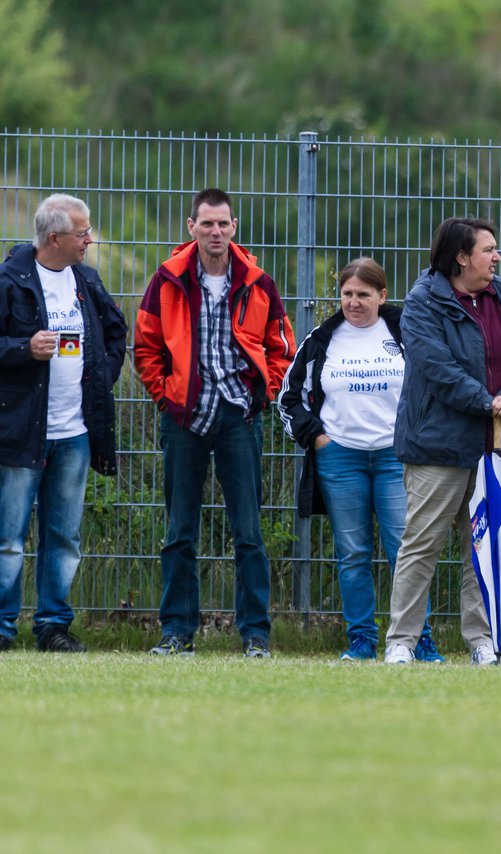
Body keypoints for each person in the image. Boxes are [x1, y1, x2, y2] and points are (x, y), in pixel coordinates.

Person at [0, 193, 128, 652]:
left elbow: (116, 332)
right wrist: (23, 349)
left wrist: (102, 376)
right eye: (82, 232)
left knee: (64, 536)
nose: (89, 239)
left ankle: (53, 626)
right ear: (55, 237)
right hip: (18, 433)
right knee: (9, 536)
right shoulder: (4, 281)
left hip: (75, 433)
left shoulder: (86, 282)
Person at [134, 187, 294, 659]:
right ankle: (177, 633)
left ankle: (255, 637)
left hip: (237, 415)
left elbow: (281, 346)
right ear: (192, 228)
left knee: (248, 531)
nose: (216, 232)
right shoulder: (166, 280)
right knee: (180, 530)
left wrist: (261, 393)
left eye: (223, 224)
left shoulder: (258, 282)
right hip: (185, 415)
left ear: (234, 227)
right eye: (207, 224)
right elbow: (145, 348)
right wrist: (166, 396)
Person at [383, 216, 501, 666]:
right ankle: (402, 641)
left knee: (485, 548)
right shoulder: (422, 304)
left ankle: (482, 641)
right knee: (422, 543)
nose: (498, 257)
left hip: (497, 446)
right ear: (461, 257)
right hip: (438, 446)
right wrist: (487, 401)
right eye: (488, 250)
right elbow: (436, 369)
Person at [277, 257, 443, 662]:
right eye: (347, 294)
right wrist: (316, 438)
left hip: (396, 457)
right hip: (339, 460)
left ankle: (416, 640)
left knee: (405, 552)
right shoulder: (321, 340)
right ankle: (362, 641)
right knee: (352, 554)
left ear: (382, 296)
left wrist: (418, 437)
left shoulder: (406, 332)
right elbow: (288, 397)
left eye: (363, 295)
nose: (354, 302)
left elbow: (436, 384)